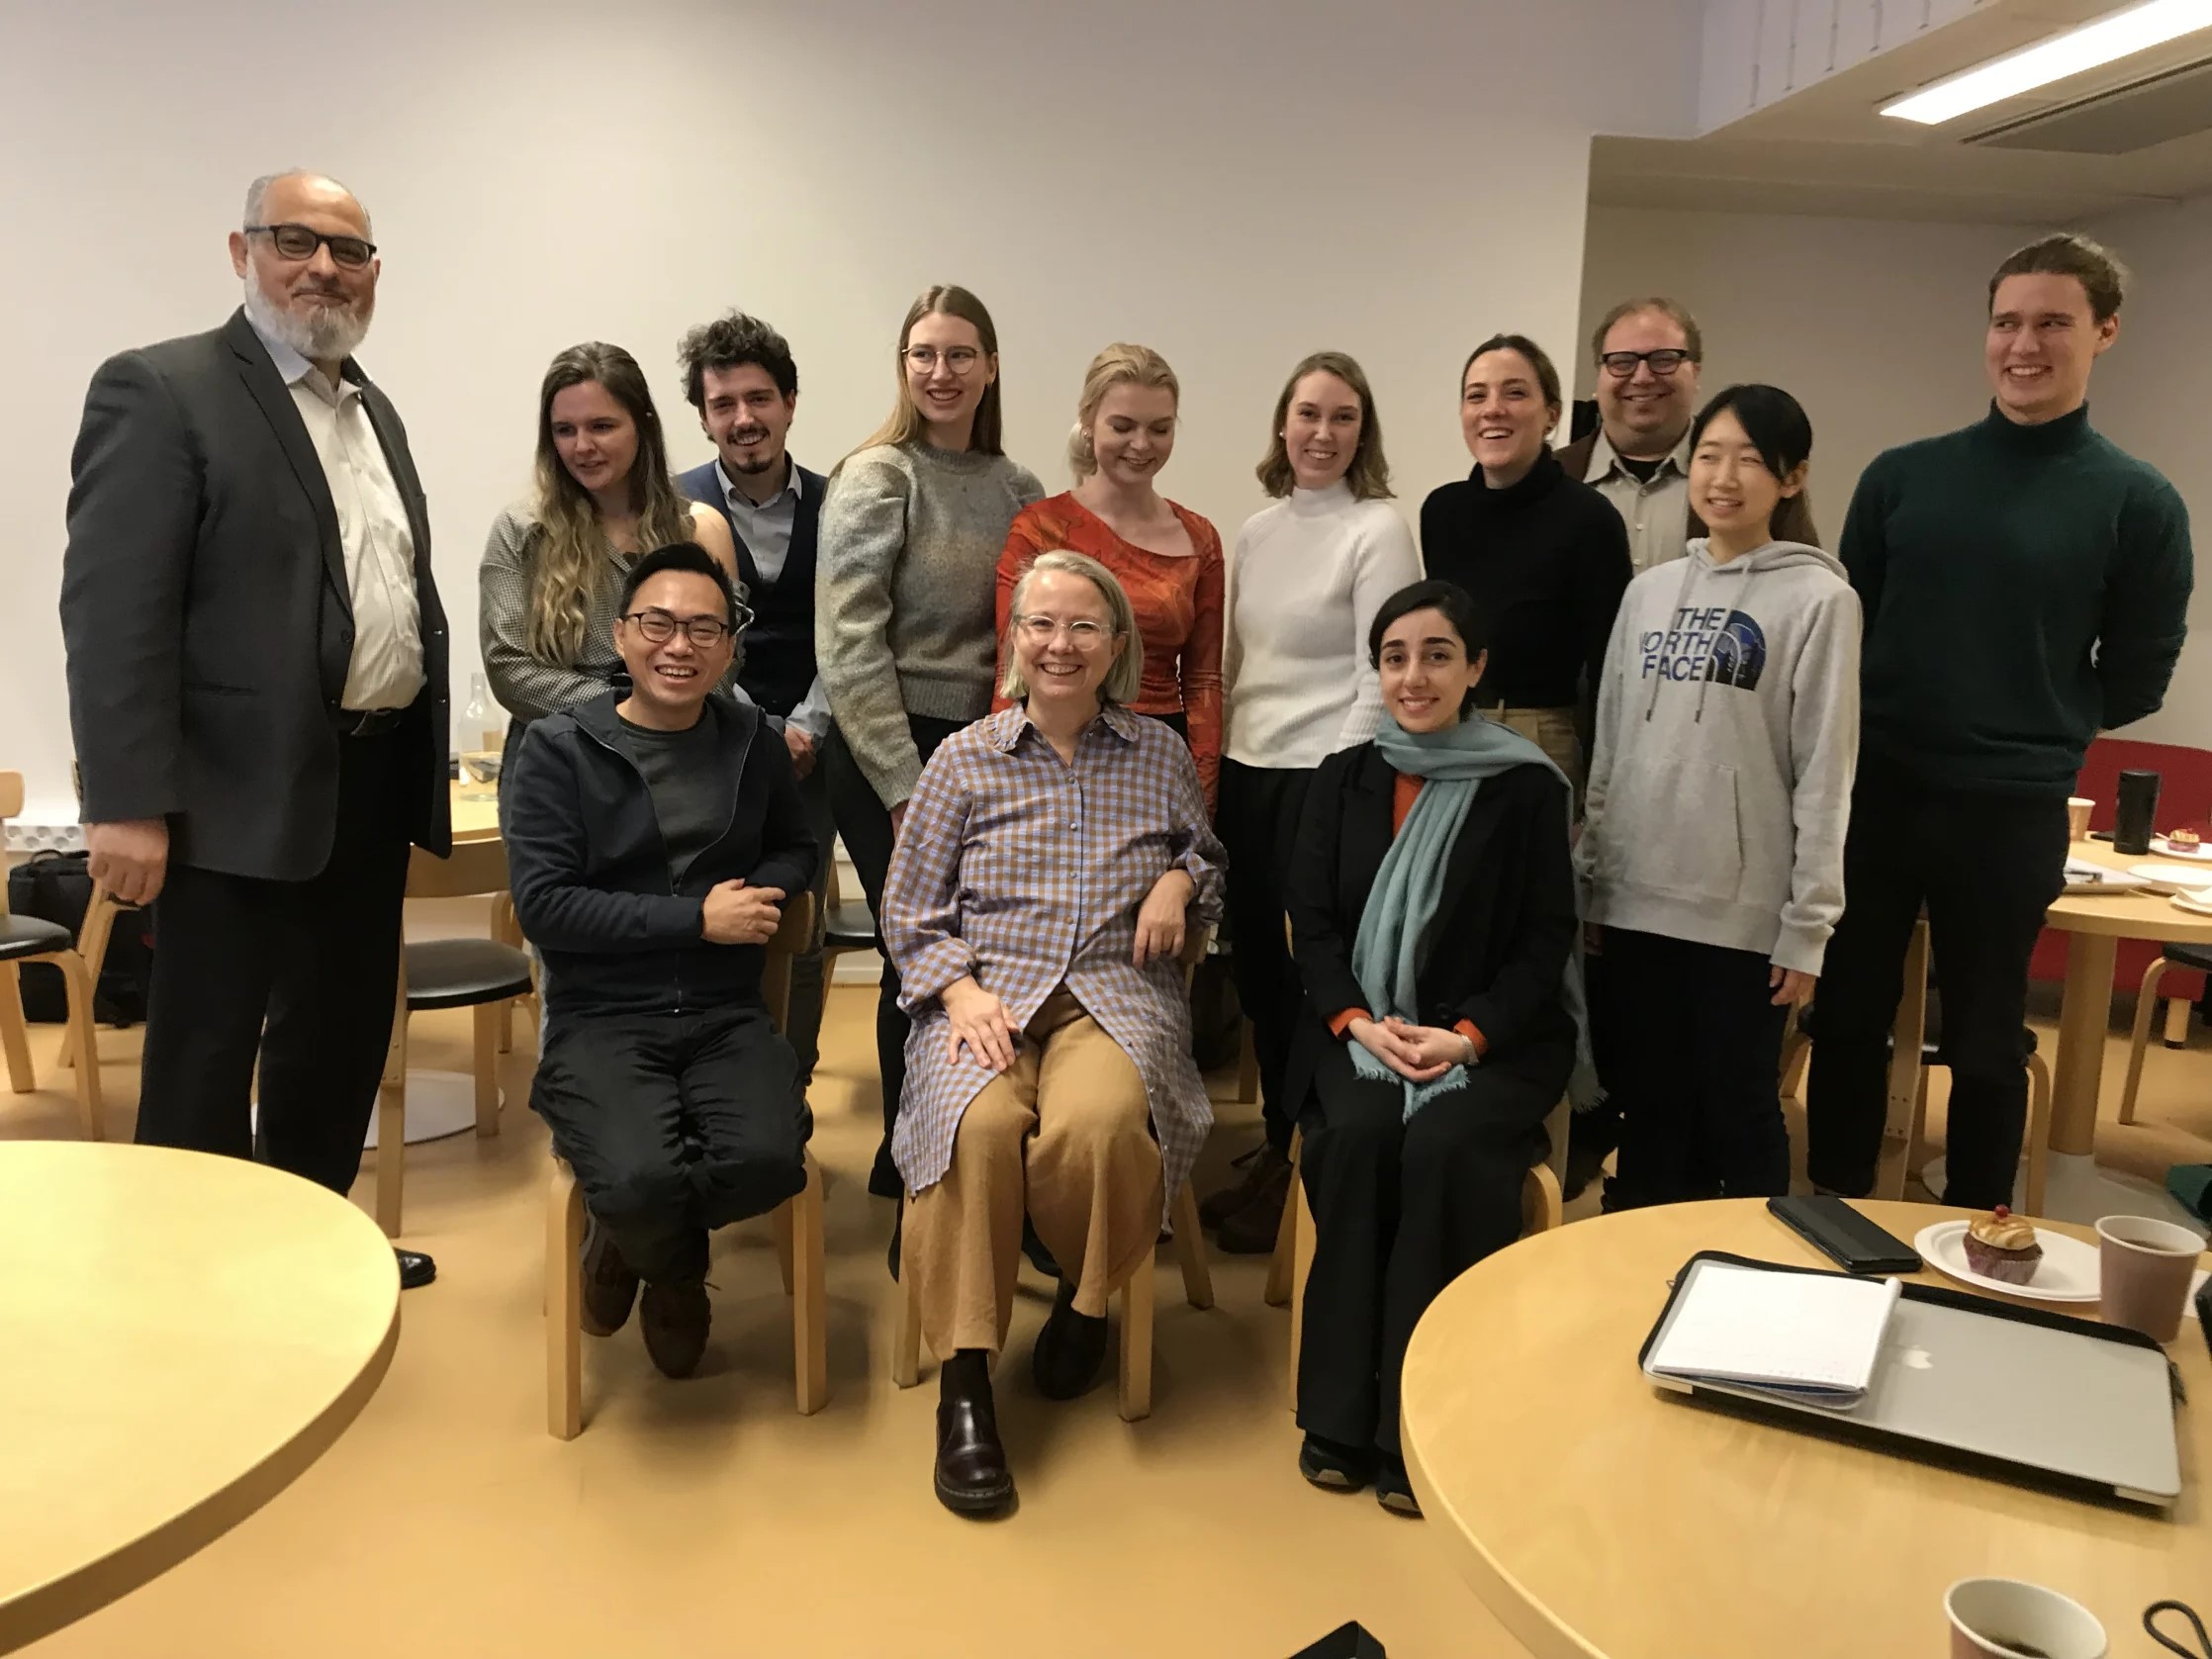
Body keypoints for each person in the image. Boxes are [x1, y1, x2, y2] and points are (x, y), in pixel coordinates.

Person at [60, 169, 447, 1289]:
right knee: (206, 1052)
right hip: (227, 798)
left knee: (334, 1045)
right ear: (242, 252)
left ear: (375, 273)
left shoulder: (374, 411)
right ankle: (192, 1284)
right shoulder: (163, 390)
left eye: (349, 250)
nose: (323, 266)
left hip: (366, 784)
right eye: (295, 240)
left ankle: (312, 1257)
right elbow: (114, 609)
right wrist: (125, 801)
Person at [1806, 234, 2193, 1210]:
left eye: (2052, 323)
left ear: (2103, 333)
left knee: (1987, 1035)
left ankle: (1981, 1230)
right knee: (1848, 1013)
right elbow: (1847, 629)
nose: (2024, 344)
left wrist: (2039, 721)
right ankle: (1836, 1206)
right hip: (1879, 789)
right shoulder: (1901, 478)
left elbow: (2140, 670)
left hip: (2011, 805)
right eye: (2007, 322)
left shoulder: (2136, 500)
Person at [881, 550, 1223, 1517]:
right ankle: (965, 1386)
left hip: (1116, 993)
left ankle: (1084, 1303)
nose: (1060, 644)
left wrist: (1179, 878)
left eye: (1083, 626)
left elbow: (1207, 859)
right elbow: (908, 910)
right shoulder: (965, 758)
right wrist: (956, 994)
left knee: (1100, 1124)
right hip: (987, 996)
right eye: (1041, 624)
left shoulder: (1155, 754)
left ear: (1115, 645)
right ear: (1013, 641)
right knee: (976, 1130)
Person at [1286, 579, 1579, 1516]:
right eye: (1396, 656)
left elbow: (1544, 942)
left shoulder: (1526, 786)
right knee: (1363, 1135)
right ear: (1378, 669)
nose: (1414, 676)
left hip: (1493, 1037)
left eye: (1438, 654)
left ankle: (1421, 1419)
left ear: (1477, 668)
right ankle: (1340, 1411)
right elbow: (1315, 924)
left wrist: (1464, 1036)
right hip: (1363, 1026)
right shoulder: (1345, 776)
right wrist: (1361, 1023)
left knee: (1444, 1146)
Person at [505, 543, 816, 1378]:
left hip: (723, 1012)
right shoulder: (559, 748)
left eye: (703, 629)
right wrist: (695, 919)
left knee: (769, 1162)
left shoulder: (752, 739)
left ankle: (627, 1235)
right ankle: (672, 1271)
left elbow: (799, 847)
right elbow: (545, 905)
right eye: (659, 624)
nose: (680, 645)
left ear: (728, 646)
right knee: (641, 1176)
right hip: (601, 1015)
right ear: (622, 634)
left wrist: (759, 893)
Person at [1580, 385, 1860, 1208]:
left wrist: (1808, 924)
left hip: (1742, 911)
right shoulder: (1648, 592)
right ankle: (1644, 1266)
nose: (1723, 476)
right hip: (1636, 897)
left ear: (1793, 476)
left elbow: (1825, 770)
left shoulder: (1821, 601)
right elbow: (1613, 743)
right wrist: (1596, 871)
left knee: (1738, 1106)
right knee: (1651, 1103)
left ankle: (1752, 1278)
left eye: (1748, 459)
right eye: (1708, 455)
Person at [816, 284, 1045, 1198]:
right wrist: (905, 787)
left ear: (990, 367)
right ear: (904, 368)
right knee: (919, 948)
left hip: (991, 742)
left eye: (960, 355)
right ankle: (910, 1158)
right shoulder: (879, 475)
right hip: (890, 743)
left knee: (991, 946)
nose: (941, 373)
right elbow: (847, 644)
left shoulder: (1018, 487)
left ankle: (974, 1137)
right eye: (924, 355)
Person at [1207, 350, 1422, 1255]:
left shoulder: (1380, 526)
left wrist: (1335, 789)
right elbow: (1241, 663)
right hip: (1251, 771)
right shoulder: (1256, 530)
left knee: (1309, 983)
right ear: (1282, 427)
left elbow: (1385, 669)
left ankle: (1300, 1162)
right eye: (1307, 415)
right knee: (1257, 970)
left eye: (1341, 417)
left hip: (1326, 779)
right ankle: (1277, 1144)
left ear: (1362, 431)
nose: (1322, 434)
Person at [675, 313, 837, 1084]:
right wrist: (763, 727)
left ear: (791, 402)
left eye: (760, 398)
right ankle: (717, 1088)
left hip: (818, 754)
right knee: (715, 916)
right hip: (712, 749)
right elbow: (688, 639)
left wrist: (803, 728)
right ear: (703, 416)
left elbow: (853, 633)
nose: (743, 419)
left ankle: (790, 1087)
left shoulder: (842, 504)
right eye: (723, 404)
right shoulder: (676, 510)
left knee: (802, 929)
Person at [479, 342, 739, 772]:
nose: (582, 447)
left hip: (678, 762)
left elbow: (724, 664)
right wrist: (631, 710)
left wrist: (656, 717)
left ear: (642, 426)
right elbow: (509, 670)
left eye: (601, 426)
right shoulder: (522, 530)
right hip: (559, 763)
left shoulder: (700, 529)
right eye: (564, 430)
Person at [992, 343, 1225, 808]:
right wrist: (1004, 780)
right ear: (1088, 420)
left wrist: (1202, 790)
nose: (1141, 445)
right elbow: (1010, 668)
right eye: (1123, 426)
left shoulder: (1199, 538)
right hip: (1054, 751)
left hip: (1159, 758)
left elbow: (1203, 682)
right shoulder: (1040, 528)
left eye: (1159, 429)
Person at [1419, 332, 1631, 791]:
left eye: (1514, 392)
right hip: (1448, 731)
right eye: (1477, 396)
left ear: (1552, 414)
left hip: (1541, 739)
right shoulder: (1441, 511)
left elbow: (1608, 675)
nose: (1493, 408)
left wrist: (1601, 793)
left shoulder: (1590, 519)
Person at [1558, 296, 1706, 575]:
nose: (1641, 377)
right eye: (1622, 362)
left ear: (1695, 373)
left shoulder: (1742, 477)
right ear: (1599, 376)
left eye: (1663, 360)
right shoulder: (1549, 478)